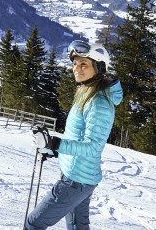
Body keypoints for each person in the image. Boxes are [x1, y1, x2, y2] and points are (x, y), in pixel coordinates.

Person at [26, 40, 122, 230]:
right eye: (75, 64)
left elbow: (93, 146)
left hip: (75, 181)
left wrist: (55, 144)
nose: (76, 68)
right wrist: (55, 151)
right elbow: (78, 137)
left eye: (83, 64)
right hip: (81, 179)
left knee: (33, 224)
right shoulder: (86, 92)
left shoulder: (98, 103)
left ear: (98, 67)